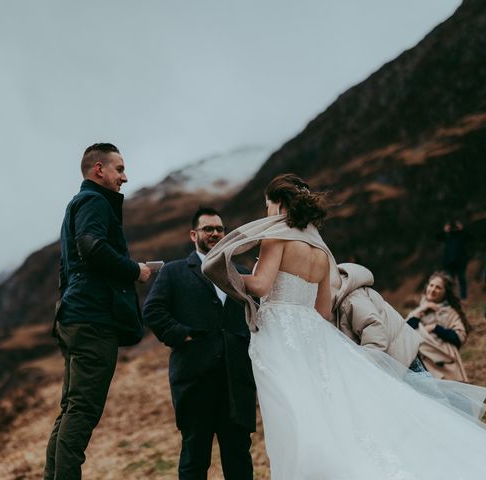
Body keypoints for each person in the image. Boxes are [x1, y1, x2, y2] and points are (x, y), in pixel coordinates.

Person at [203, 173, 486, 479]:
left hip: (280, 336)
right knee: (328, 410)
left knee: (293, 416)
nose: (267, 212)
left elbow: (260, 285)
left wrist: (226, 275)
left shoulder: (278, 236)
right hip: (313, 335)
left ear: (280, 204)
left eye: (268, 205)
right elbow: (323, 310)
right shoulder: (323, 252)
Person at [44, 143, 152, 480]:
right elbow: (91, 247)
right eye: (119, 169)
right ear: (98, 170)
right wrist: (134, 270)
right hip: (93, 319)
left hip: (75, 314)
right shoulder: (93, 200)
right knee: (83, 410)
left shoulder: (76, 204)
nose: (125, 177)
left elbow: (71, 264)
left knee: (71, 409)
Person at [143, 207, 256, 480]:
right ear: (194, 234)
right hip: (195, 381)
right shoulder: (174, 272)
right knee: (194, 460)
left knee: (239, 459)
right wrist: (183, 335)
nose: (215, 233)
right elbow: (153, 312)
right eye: (209, 229)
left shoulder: (241, 273)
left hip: (235, 381)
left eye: (219, 229)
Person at [332, 262, 423, 370]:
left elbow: (376, 335)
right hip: (393, 361)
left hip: (403, 359)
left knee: (423, 387)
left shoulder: (351, 299)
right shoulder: (339, 299)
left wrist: (362, 370)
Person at [406, 271, 471, 382]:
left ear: (445, 292)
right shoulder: (418, 311)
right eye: (431, 285)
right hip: (419, 364)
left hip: (442, 366)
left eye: (438, 287)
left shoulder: (450, 313)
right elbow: (404, 333)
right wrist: (422, 311)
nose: (432, 289)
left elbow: (459, 337)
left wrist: (435, 328)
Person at [438, 220, 470, 299]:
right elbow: (437, 237)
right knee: (448, 281)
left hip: (460, 262)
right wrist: (444, 231)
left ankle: (463, 297)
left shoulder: (461, 235)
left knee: (462, 280)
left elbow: (470, 238)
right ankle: (449, 298)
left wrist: (462, 230)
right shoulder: (447, 235)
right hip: (449, 263)